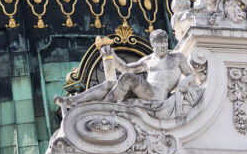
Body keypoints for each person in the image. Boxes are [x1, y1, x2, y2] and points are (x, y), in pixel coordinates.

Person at [55, 30, 198, 110]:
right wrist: (112, 55)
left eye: (165, 42)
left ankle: (102, 106)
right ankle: (73, 101)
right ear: (152, 45)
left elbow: (191, 75)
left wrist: (183, 83)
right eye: (159, 43)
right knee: (110, 84)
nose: (162, 46)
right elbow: (125, 68)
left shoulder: (177, 57)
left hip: (158, 94)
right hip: (146, 91)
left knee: (126, 78)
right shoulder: (148, 60)